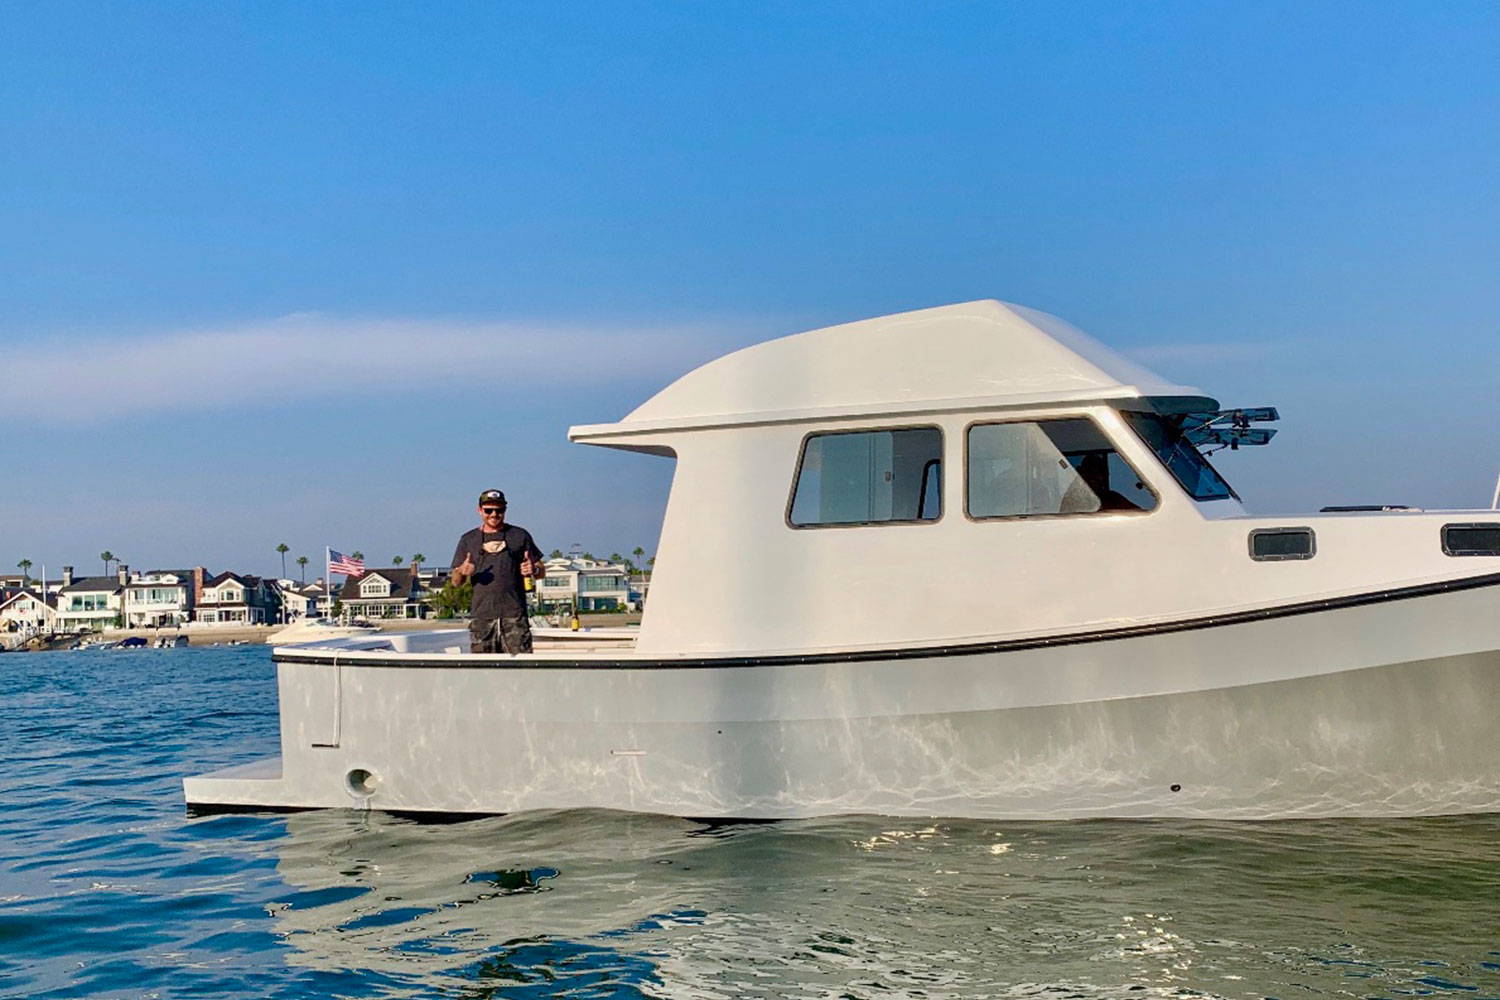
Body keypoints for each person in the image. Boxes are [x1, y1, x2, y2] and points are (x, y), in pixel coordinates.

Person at [450, 489, 546, 653]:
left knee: (521, 667)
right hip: (482, 618)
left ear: (505, 510)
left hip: (514, 616)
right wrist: (462, 572)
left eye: (499, 510)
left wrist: (534, 569)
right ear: (479, 510)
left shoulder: (520, 535)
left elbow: (541, 570)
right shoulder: (468, 539)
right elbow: (455, 582)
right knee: (483, 670)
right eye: (488, 510)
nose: (494, 514)